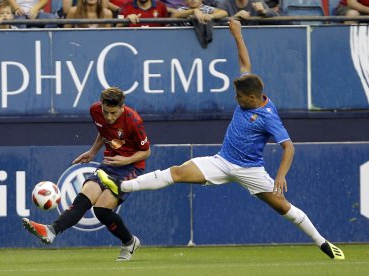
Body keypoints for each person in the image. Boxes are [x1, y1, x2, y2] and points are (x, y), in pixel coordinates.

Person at [97, 19, 346, 260]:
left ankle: (322, 242)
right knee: (177, 172)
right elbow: (244, 63)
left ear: (252, 97)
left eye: (239, 97)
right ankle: (122, 186)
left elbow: (288, 147)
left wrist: (281, 175)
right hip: (222, 161)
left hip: (250, 170)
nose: (236, 99)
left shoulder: (268, 116)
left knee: (283, 208)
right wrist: (237, 34)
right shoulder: (250, 90)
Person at [22, 87, 151, 261]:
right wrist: (92, 152)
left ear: (122, 107)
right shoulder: (95, 111)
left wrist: (125, 161)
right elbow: (104, 132)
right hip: (109, 162)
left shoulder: (133, 121)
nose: (109, 117)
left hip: (130, 167)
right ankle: (51, 230)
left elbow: (146, 152)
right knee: (83, 198)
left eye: (113, 113)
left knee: (101, 211)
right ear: (101, 105)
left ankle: (129, 242)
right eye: (106, 112)